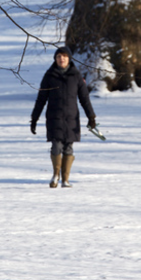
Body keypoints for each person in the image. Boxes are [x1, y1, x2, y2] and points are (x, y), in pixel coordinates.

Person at [30, 46, 97, 188]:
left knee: (68, 148)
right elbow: (41, 99)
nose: (62, 59)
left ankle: (65, 179)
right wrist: (34, 119)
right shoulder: (49, 76)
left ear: (69, 58)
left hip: (71, 118)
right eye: (59, 56)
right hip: (54, 118)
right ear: (55, 59)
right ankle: (55, 175)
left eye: (64, 56)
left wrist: (91, 117)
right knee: (56, 146)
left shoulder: (77, 76)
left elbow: (84, 98)